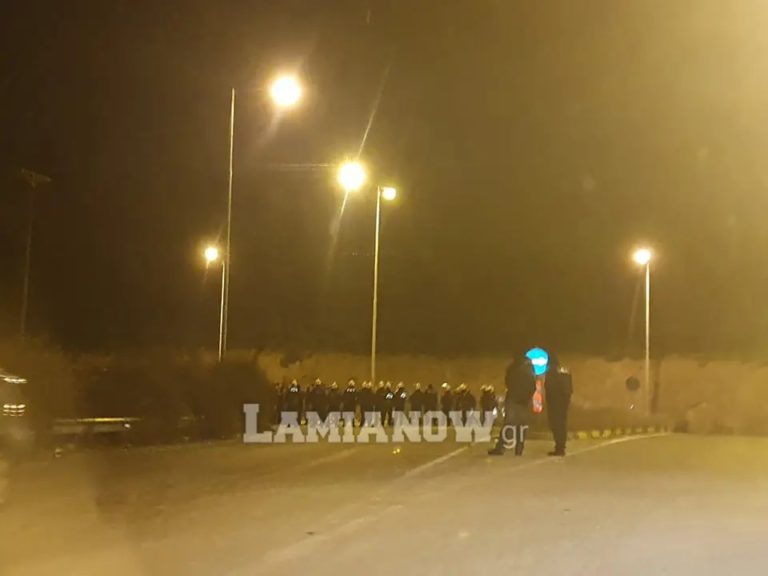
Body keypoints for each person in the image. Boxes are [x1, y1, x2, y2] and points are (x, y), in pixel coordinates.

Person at [488, 354, 536, 456]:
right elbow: (533, 386)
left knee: (509, 424)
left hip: (513, 399)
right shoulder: (530, 368)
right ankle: (519, 449)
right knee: (521, 425)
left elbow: (508, 381)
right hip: (524, 401)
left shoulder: (513, 367)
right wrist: (528, 397)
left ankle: (501, 447)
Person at [545, 353, 573, 456]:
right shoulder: (564, 373)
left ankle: (559, 448)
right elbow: (570, 390)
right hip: (563, 404)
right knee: (561, 425)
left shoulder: (551, 373)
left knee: (556, 426)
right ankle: (561, 447)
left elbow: (550, 389)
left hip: (555, 404)